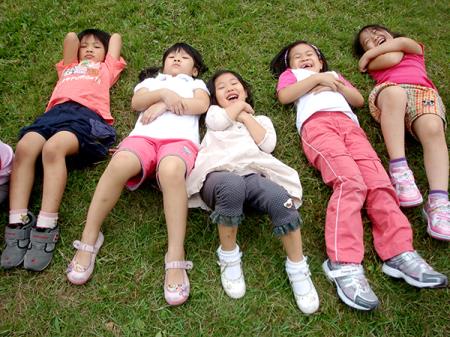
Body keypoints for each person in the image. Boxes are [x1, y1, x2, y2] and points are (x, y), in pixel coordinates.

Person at [270, 40, 447, 311]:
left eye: (310, 55)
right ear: (289, 65)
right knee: (349, 182)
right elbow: (285, 96)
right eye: (297, 57)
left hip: (351, 128)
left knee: (379, 184)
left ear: (321, 59)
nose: (304, 58)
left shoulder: (334, 76)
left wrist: (335, 83)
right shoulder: (293, 76)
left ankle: (400, 252)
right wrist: (316, 79)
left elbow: (359, 100)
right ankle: (344, 262)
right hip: (318, 126)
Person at [66, 42, 210, 307]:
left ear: (195, 69)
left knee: (171, 171)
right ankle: (89, 237)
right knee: (120, 163)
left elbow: (200, 106)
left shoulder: (196, 85)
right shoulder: (153, 81)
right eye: (171, 57)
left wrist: (164, 105)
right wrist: (165, 93)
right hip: (142, 137)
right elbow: (137, 102)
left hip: (179, 143)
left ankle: (175, 254)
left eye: (184, 57)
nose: (176, 59)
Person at [187, 70, 319, 314]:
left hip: (253, 175)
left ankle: (298, 267)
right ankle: (228, 255)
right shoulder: (215, 114)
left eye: (234, 84)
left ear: (246, 91)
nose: (229, 88)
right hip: (217, 176)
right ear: (215, 99)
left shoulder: (261, 120)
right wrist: (237, 109)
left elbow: (267, 144)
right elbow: (218, 122)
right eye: (221, 87)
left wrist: (247, 117)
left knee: (281, 199)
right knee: (232, 186)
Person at [1, 29, 126, 271]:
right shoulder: (68, 68)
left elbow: (117, 38)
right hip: (53, 115)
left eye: (96, 46)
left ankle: (47, 223)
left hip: (86, 117)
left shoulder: (106, 69)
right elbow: (69, 38)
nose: (89, 48)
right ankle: (17, 221)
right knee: (25, 147)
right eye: (85, 45)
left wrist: (104, 45)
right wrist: (78, 43)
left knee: (53, 148)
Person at [354, 24, 449, 241]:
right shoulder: (378, 62)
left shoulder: (412, 47)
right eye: (367, 41)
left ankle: (439, 201)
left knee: (433, 128)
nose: (374, 37)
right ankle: (400, 171)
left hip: (422, 92)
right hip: (389, 92)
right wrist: (382, 52)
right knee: (396, 94)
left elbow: (402, 45)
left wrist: (369, 53)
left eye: (378, 32)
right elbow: (392, 59)